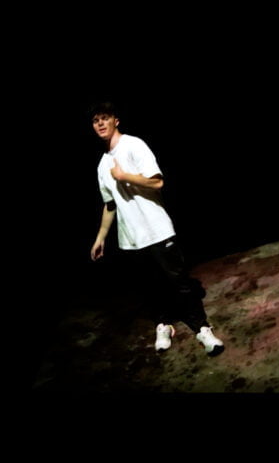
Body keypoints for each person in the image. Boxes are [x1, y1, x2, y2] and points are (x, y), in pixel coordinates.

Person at [88, 100, 224, 356]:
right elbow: (110, 205)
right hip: (130, 239)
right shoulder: (101, 165)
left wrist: (124, 176)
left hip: (157, 229)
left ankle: (202, 328)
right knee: (151, 287)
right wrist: (100, 238)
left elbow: (157, 183)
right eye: (95, 121)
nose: (100, 124)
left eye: (104, 118)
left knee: (180, 283)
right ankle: (164, 325)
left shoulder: (134, 145)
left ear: (116, 120)